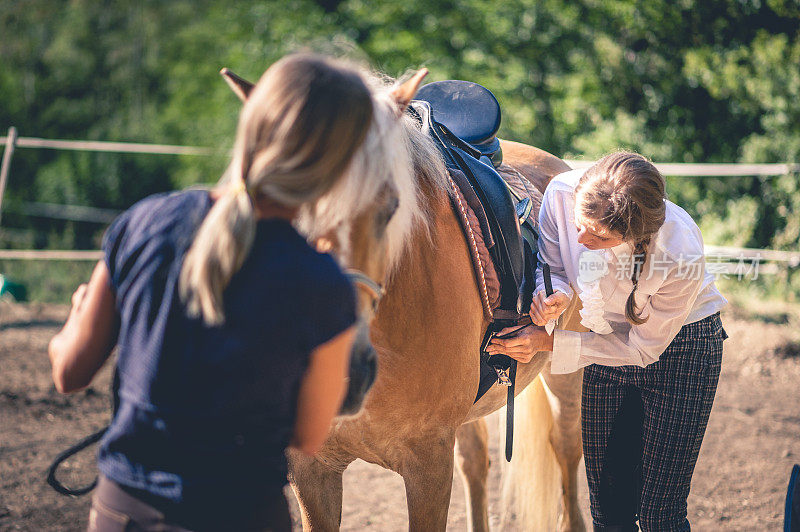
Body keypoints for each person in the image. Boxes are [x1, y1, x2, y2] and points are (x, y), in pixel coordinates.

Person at [47, 53, 374, 532]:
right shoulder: (322, 284)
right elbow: (309, 435)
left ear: (250, 125)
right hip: (243, 515)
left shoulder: (145, 221)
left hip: (122, 511)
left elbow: (68, 372)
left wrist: (77, 317)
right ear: (342, 164)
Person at [487, 151, 729, 531]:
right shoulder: (562, 194)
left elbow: (640, 348)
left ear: (635, 236)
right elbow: (553, 265)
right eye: (580, 225)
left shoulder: (679, 252)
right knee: (608, 511)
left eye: (598, 236)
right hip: (604, 339)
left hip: (683, 348)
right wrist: (556, 296)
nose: (581, 238)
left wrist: (549, 343)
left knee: (659, 515)